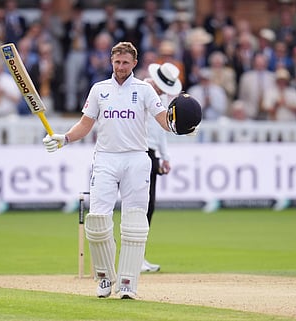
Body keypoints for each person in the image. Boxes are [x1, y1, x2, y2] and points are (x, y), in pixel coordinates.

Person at [42, 42, 199, 300]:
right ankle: (105, 279)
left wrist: (181, 127)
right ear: (111, 62)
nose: (121, 67)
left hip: (137, 159)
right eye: (117, 62)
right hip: (105, 158)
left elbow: (164, 121)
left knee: (135, 223)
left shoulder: (145, 90)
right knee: (97, 220)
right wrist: (65, 139)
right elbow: (85, 124)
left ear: (134, 63)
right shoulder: (99, 89)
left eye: (125, 62)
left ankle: (128, 284)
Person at [141, 62, 182, 272]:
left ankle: (139, 255)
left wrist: (165, 157)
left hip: (152, 154)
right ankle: (135, 257)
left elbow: (161, 132)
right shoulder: (140, 91)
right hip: (139, 152)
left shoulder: (163, 98)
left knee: (149, 207)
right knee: (141, 206)